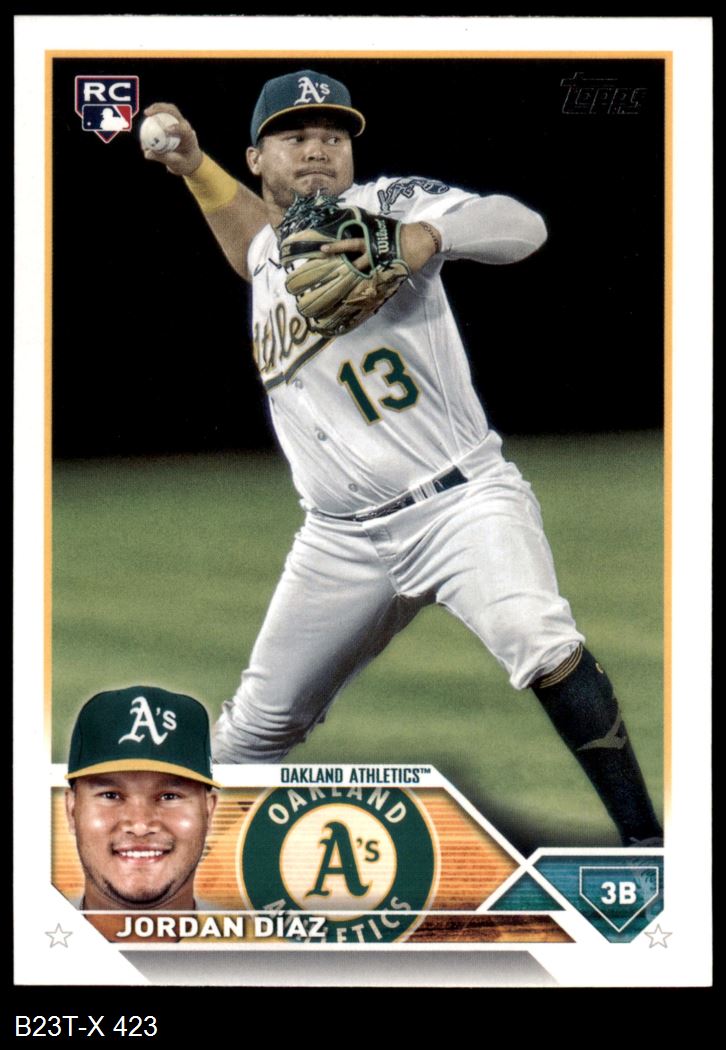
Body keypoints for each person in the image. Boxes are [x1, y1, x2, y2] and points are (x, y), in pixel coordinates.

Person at [141, 69, 663, 846]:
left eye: (333, 135)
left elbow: (522, 226)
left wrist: (430, 236)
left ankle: (648, 852)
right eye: (295, 135)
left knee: (539, 639)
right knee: (251, 732)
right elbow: (252, 247)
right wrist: (192, 167)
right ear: (256, 158)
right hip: (338, 540)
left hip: (459, 505)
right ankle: (167, 880)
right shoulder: (268, 247)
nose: (318, 149)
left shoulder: (386, 204)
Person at [65, 686, 218, 910]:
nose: (140, 826)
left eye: (169, 796)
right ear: (71, 810)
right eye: (111, 795)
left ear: (208, 812)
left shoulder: (258, 932)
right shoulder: (26, 931)